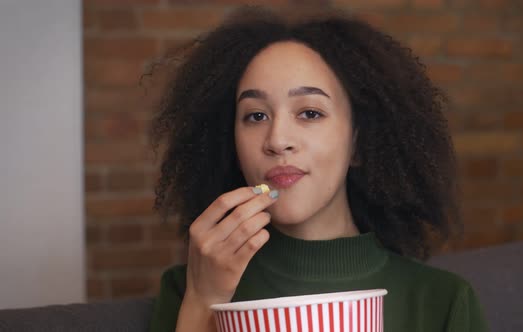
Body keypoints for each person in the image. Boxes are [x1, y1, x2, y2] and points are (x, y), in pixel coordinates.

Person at [147, 5, 488, 332]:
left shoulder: (443, 302)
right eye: (256, 115)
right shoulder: (187, 291)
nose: (277, 140)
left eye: (310, 113)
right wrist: (204, 301)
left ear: (358, 143)